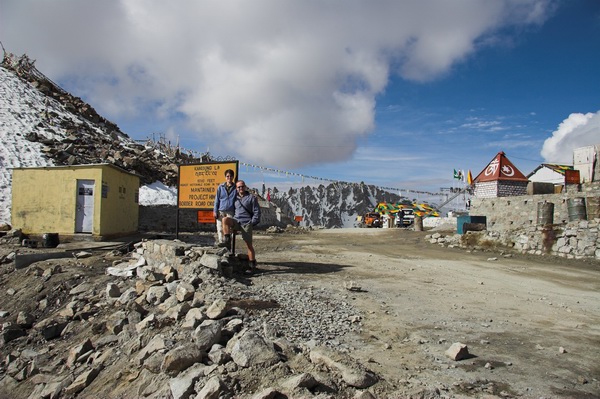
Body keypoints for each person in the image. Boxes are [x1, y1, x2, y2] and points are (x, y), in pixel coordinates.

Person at [218, 180, 261, 272]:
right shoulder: (235, 198)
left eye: (242, 186)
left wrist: (252, 222)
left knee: (249, 245)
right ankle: (227, 240)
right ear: (236, 188)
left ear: (245, 187)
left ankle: (252, 265)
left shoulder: (251, 198)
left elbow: (257, 211)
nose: (240, 188)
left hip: (246, 223)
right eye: (238, 187)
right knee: (225, 220)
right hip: (236, 221)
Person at [213, 169, 237, 244]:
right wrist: (215, 210)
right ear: (225, 177)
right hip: (221, 211)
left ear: (233, 177)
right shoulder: (220, 187)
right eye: (227, 176)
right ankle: (221, 244)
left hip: (230, 211)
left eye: (230, 176)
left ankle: (228, 246)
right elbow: (217, 199)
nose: (229, 178)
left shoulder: (236, 188)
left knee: (229, 230)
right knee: (220, 229)